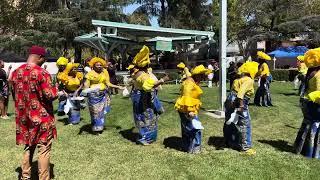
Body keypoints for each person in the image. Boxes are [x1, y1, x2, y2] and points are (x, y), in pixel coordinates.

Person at [10, 46, 58, 180]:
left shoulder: (15, 72)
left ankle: (25, 176)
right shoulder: (41, 72)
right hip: (41, 117)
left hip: (24, 117)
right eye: (44, 59)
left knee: (28, 146)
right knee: (44, 148)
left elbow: (14, 94)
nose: (44, 61)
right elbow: (50, 95)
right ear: (40, 57)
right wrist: (57, 90)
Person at [130, 45, 168, 145]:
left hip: (139, 96)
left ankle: (145, 136)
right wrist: (163, 80)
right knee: (147, 116)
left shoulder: (138, 72)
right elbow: (148, 86)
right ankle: (147, 137)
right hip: (143, 97)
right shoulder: (141, 74)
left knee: (142, 116)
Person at [224, 61, 259, 155]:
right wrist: (241, 106)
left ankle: (229, 141)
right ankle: (246, 147)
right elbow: (240, 94)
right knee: (245, 123)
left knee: (230, 121)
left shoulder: (238, 79)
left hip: (230, 99)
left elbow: (233, 91)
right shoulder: (249, 80)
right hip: (240, 101)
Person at [175, 65, 211, 153]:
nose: (203, 77)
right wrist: (190, 110)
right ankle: (195, 148)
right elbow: (187, 96)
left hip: (186, 109)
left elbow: (187, 74)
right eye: (201, 75)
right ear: (196, 75)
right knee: (195, 128)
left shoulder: (191, 80)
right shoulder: (189, 83)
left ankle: (186, 146)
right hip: (187, 109)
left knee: (187, 128)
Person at [84, 57, 123, 133]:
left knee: (101, 111)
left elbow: (108, 83)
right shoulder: (90, 74)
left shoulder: (104, 73)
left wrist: (118, 86)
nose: (99, 66)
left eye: (100, 65)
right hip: (93, 96)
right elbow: (86, 85)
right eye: (97, 65)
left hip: (103, 95)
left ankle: (99, 126)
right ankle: (96, 127)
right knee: (95, 112)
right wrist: (85, 92)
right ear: (93, 66)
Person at [294, 49, 320, 159]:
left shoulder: (310, 72)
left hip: (308, 102)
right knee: (315, 127)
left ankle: (300, 148)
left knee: (307, 125)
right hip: (316, 103)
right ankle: (312, 153)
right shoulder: (318, 75)